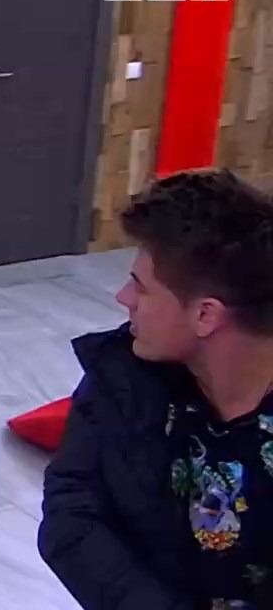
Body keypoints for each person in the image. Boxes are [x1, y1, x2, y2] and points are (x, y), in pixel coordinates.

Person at [39, 170, 273, 610]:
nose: (123, 298)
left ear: (205, 315)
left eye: (141, 287)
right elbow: (71, 510)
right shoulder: (123, 373)